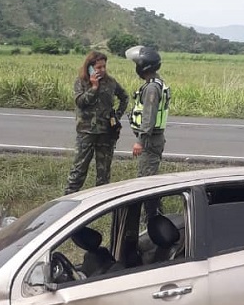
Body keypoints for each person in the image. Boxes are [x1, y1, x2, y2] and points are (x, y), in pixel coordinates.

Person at [64, 51, 129, 194]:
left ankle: (100, 201)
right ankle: (69, 197)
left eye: (104, 66)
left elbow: (124, 97)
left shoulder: (111, 82)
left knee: (104, 171)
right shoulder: (81, 82)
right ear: (90, 67)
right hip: (86, 132)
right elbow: (80, 102)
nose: (103, 70)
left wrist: (117, 116)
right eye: (99, 67)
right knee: (79, 169)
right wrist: (93, 88)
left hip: (106, 132)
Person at [126, 45, 170, 179]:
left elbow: (149, 115)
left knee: (145, 179)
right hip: (153, 139)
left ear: (144, 67)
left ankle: (151, 202)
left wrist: (140, 141)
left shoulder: (151, 88)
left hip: (150, 140)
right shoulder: (156, 83)